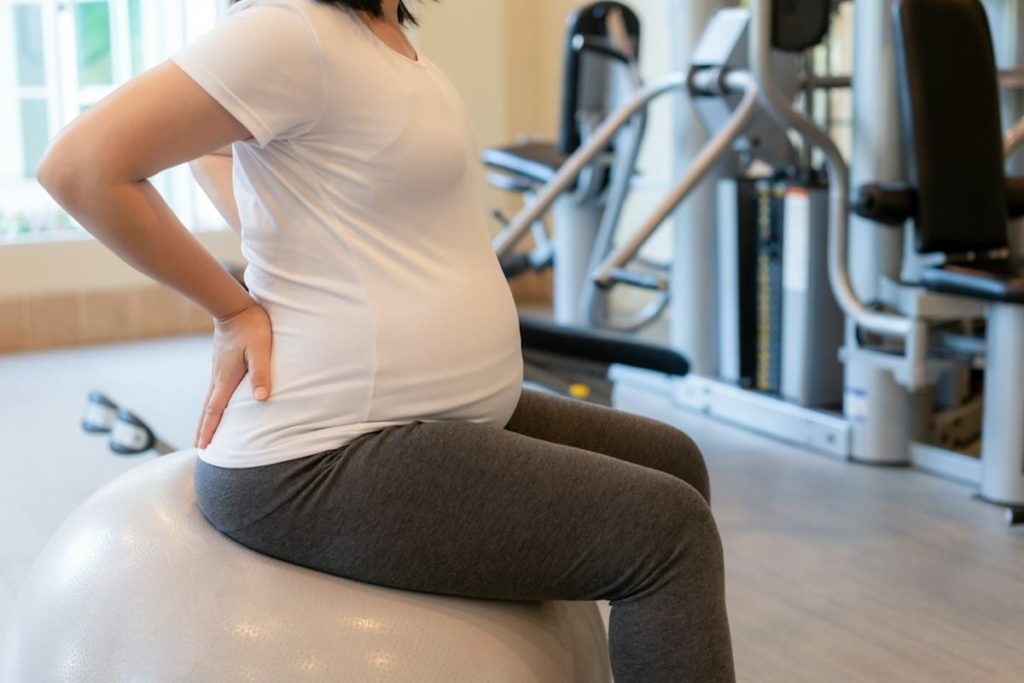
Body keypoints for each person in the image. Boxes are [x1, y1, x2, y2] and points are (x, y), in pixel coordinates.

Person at [36, 0, 735, 679]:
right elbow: (81, 166)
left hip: (432, 415)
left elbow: (220, 150)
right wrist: (234, 308)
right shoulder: (290, 31)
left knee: (674, 463)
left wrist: (294, 235)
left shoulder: (382, 33)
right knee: (665, 535)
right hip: (324, 451)